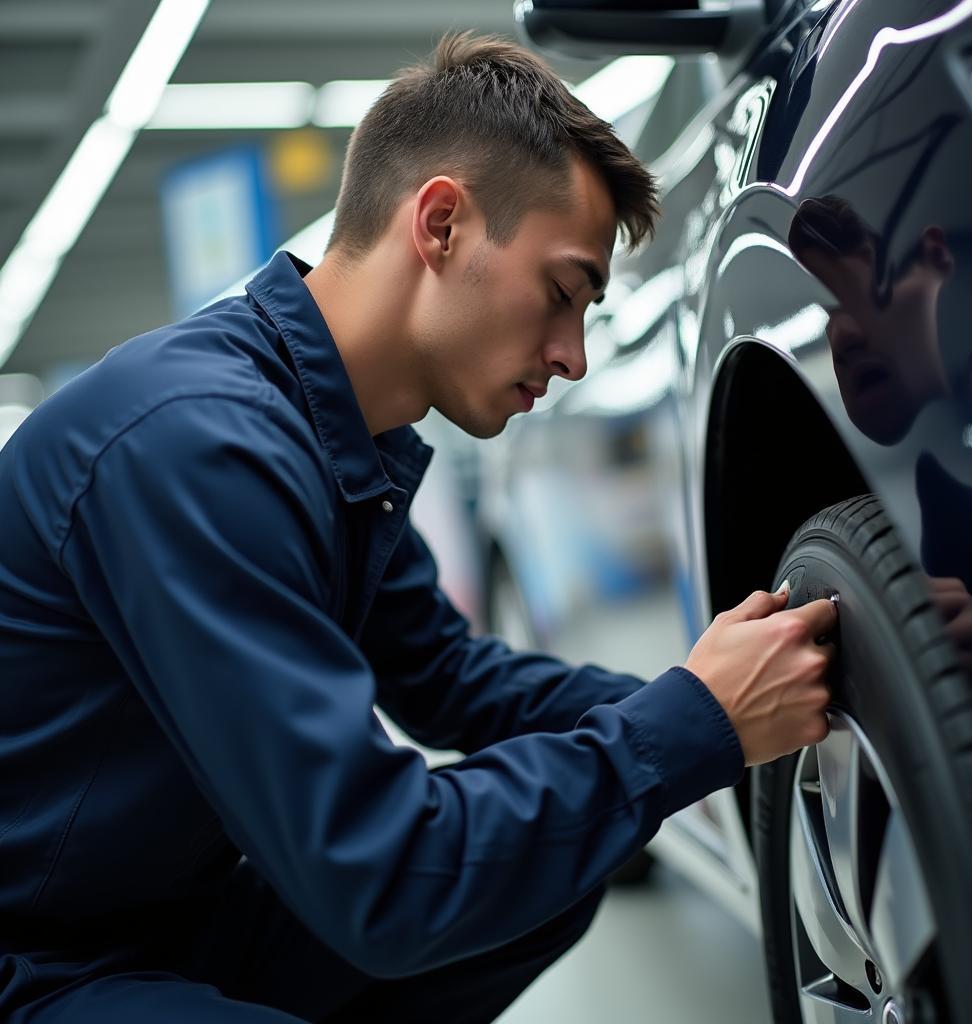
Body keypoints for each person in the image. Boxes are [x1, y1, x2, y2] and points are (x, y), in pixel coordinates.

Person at [0, 32, 836, 1023]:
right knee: (457, 873)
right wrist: (692, 724)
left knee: (551, 872)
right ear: (439, 223)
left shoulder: (329, 433)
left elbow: (448, 678)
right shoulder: (196, 446)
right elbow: (379, 871)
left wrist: (749, 682)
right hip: (37, 961)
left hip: (160, 918)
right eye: (562, 292)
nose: (572, 355)